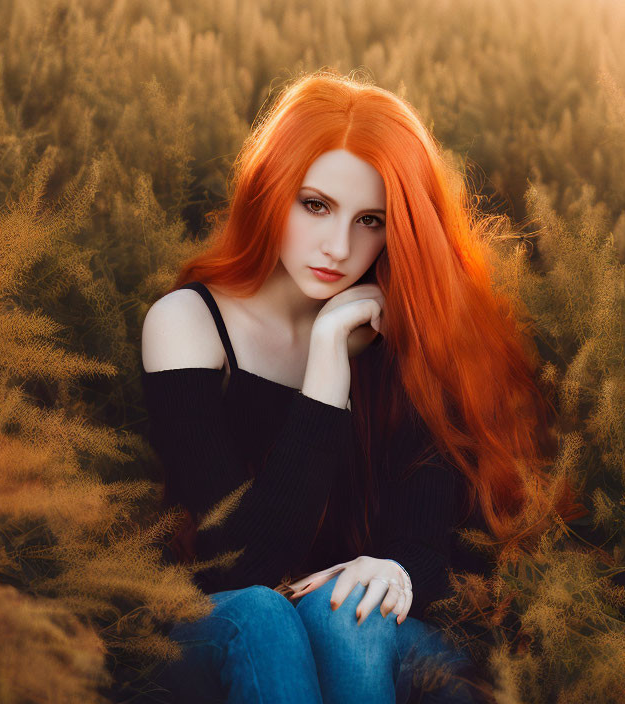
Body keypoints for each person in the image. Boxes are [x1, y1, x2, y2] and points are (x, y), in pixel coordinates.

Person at [138, 69, 583, 703]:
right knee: (264, 616)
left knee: (347, 615)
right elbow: (237, 566)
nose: (339, 247)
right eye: (315, 205)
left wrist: (396, 568)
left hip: (369, 641)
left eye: (370, 220)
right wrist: (327, 364)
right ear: (271, 190)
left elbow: (440, 547)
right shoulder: (187, 325)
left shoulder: (412, 330)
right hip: (224, 636)